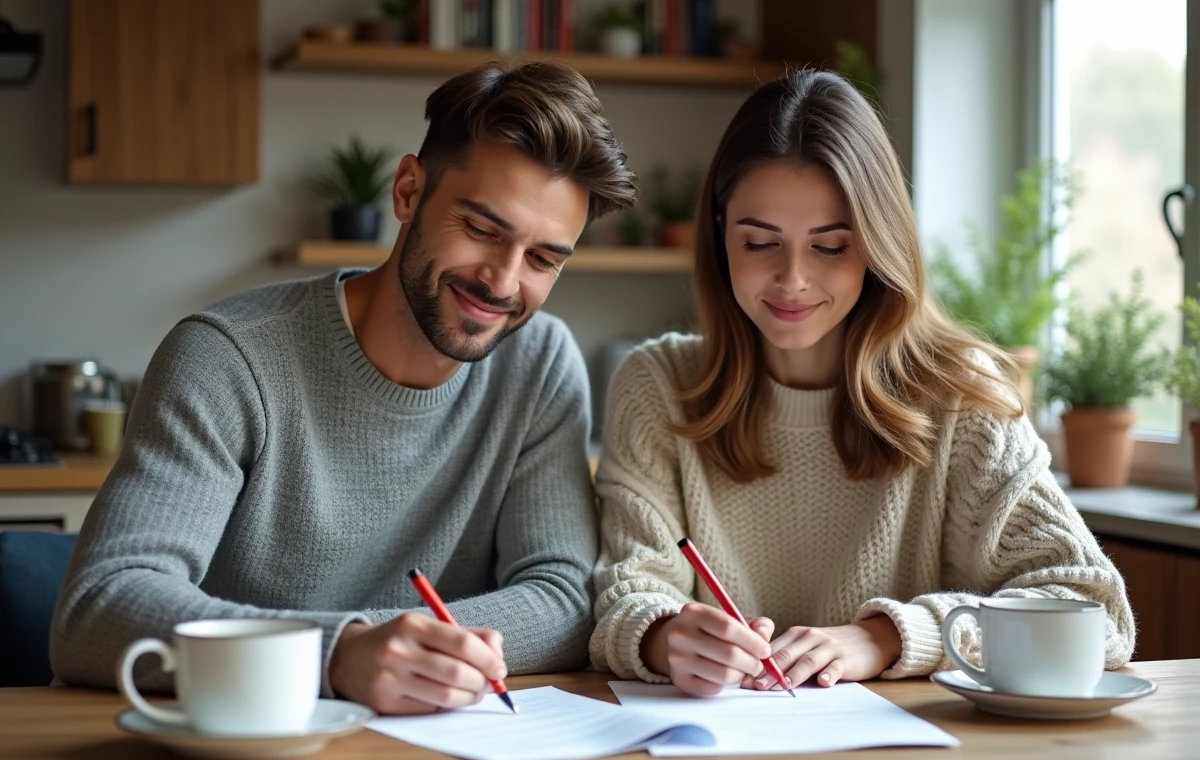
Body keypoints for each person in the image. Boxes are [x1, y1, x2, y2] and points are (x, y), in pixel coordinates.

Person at [51, 61, 637, 714]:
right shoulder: (226, 359)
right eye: (481, 230)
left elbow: (563, 598)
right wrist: (340, 652)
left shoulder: (541, 364)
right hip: (235, 747)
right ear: (409, 191)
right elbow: (99, 606)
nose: (502, 282)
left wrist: (402, 655)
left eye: (542, 259)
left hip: (422, 756)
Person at [590, 69, 1134, 696]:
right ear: (719, 235)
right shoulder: (657, 386)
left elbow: (1095, 610)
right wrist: (665, 637)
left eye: (831, 247)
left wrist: (886, 637)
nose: (792, 279)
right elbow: (627, 596)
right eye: (761, 242)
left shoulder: (962, 397)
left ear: (878, 246)